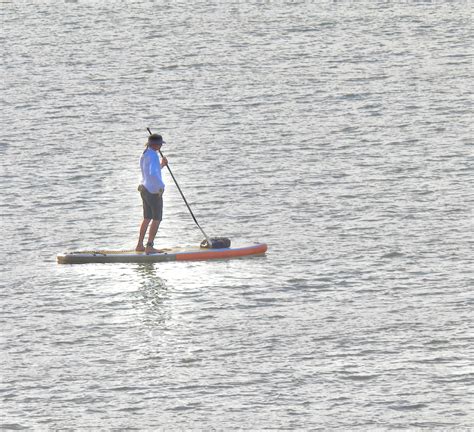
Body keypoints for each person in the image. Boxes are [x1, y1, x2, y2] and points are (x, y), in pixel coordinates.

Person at [136, 133, 168, 254]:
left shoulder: (144, 154)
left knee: (147, 217)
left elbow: (151, 171)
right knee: (157, 218)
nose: (161, 146)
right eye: (160, 144)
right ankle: (149, 246)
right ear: (155, 145)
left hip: (144, 188)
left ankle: (139, 245)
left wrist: (162, 165)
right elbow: (153, 174)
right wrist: (161, 187)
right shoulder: (153, 155)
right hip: (153, 191)